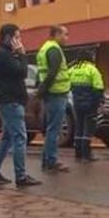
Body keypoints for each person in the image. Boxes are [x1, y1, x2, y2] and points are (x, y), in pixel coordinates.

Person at [0, 24, 41, 187]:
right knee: (20, 137)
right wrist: (22, 55)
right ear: (8, 37)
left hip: (10, 101)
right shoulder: (3, 55)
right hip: (11, 102)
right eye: (17, 37)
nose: (20, 41)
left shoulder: (6, 54)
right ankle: (21, 176)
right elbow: (22, 72)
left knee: (7, 138)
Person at [36, 25, 72, 173]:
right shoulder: (54, 50)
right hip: (57, 93)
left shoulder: (44, 48)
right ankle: (51, 161)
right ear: (56, 34)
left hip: (51, 93)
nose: (67, 38)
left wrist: (42, 91)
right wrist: (42, 91)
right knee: (54, 129)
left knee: (51, 128)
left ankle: (47, 160)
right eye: (65, 34)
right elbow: (52, 73)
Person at [65, 49, 104, 162]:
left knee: (79, 127)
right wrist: (98, 103)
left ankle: (78, 153)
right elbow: (98, 88)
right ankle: (86, 155)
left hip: (76, 103)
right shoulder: (92, 70)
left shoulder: (72, 69)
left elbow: (66, 84)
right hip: (90, 103)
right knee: (88, 128)